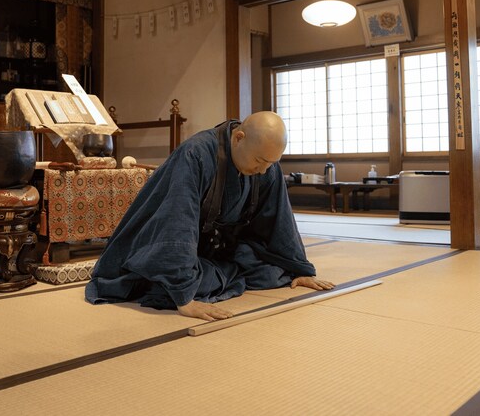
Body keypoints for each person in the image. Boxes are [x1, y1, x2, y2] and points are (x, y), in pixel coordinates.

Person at [85, 111, 334, 321]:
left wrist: (298, 268)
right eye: (260, 161)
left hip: (217, 248)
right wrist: (184, 298)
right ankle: (177, 282)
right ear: (239, 137)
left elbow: (279, 220)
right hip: (169, 245)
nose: (263, 170)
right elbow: (177, 221)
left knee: (273, 273)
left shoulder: (266, 164)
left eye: (271, 163)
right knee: (174, 282)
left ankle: (207, 275)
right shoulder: (196, 154)